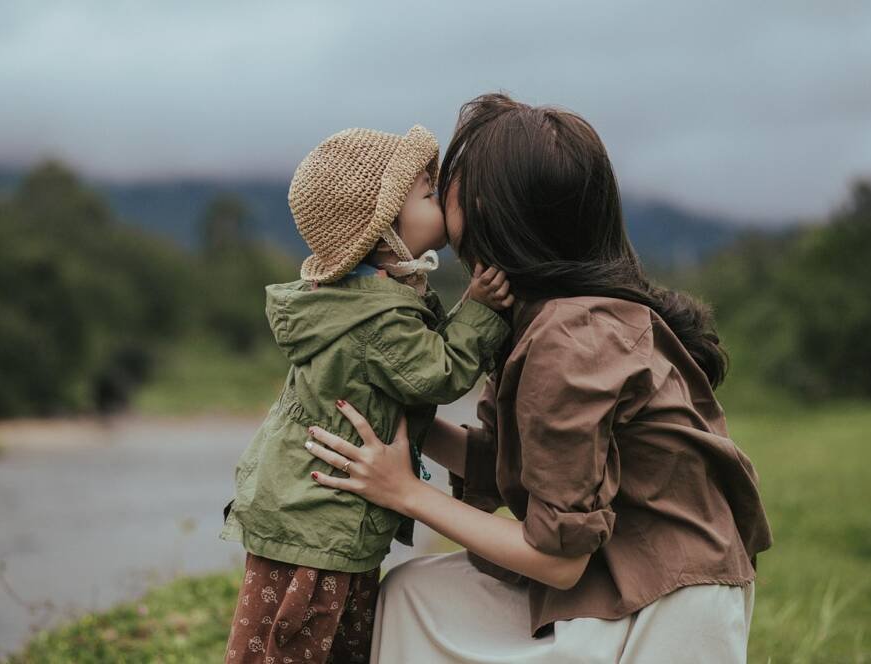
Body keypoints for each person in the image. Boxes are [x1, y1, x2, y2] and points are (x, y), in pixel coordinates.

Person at [304, 94, 774, 663]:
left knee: (419, 600)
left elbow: (557, 555)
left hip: (665, 606)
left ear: (487, 208)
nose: (436, 193)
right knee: (412, 596)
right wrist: (393, 415)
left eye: (444, 185)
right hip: (618, 571)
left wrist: (405, 490)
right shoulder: (544, 314)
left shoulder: (570, 337)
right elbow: (512, 465)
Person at [220, 124, 514, 663]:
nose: (440, 196)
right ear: (383, 234)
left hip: (316, 514)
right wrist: (481, 312)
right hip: (318, 523)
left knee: (326, 641)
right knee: (302, 643)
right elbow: (437, 373)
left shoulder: (368, 299)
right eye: (428, 194)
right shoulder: (375, 316)